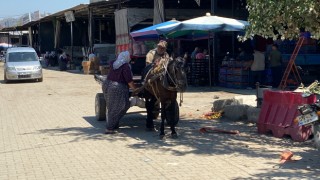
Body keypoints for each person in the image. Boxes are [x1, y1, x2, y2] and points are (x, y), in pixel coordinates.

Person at [102, 51, 136, 134]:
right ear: (127, 58)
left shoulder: (113, 63)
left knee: (112, 107)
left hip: (107, 84)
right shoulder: (125, 66)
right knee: (118, 107)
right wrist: (135, 89)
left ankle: (113, 123)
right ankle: (110, 128)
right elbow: (129, 81)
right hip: (117, 88)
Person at [143, 40, 169, 131]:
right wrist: (155, 65)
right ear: (157, 47)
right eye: (159, 47)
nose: (161, 49)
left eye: (163, 48)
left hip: (163, 75)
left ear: (165, 48)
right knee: (149, 100)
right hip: (152, 73)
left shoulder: (166, 55)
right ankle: (149, 121)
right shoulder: (151, 53)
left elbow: (168, 64)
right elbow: (148, 65)